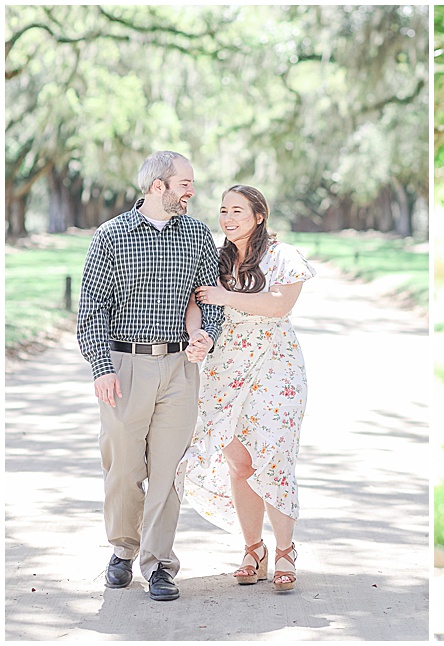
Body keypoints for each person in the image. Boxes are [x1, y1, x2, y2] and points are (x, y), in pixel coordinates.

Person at [77, 150, 224, 601]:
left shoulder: (198, 235)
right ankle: (123, 550)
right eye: (184, 184)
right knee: (123, 468)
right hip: (124, 366)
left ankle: (159, 564)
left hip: (180, 369)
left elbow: (211, 300)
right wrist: (102, 367)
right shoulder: (110, 236)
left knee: (168, 472)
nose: (191, 192)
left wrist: (208, 338)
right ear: (158, 185)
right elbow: (91, 310)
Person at [181, 184, 315, 592]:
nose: (228, 218)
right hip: (223, 368)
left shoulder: (282, 256)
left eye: (238, 210)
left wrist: (227, 295)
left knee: (274, 456)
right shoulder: (213, 258)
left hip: (275, 366)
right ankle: (252, 549)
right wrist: (196, 335)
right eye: (223, 210)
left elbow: (278, 305)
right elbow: (195, 304)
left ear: (259, 215)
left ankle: (286, 551)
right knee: (239, 462)